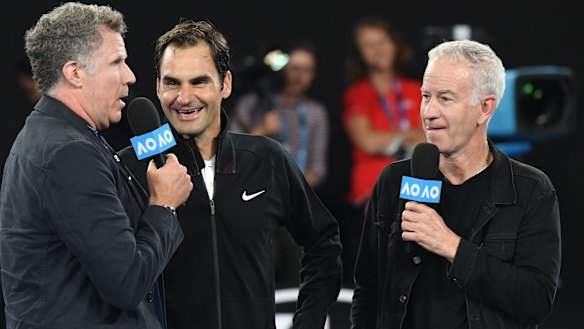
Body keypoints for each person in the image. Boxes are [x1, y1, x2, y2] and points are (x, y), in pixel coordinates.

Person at [119, 19, 343, 329]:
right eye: (172, 82)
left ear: (225, 84)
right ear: (158, 86)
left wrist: (308, 321)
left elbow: (324, 245)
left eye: (199, 82)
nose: (184, 97)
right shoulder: (129, 168)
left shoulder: (267, 159)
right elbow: (109, 274)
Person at [0, 3, 193, 329]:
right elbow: (127, 283)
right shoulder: (67, 152)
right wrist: (164, 205)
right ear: (75, 72)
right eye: (117, 62)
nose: (131, 76)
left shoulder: (59, 135)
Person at [350, 39, 562, 329]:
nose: (428, 112)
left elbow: (535, 301)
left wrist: (451, 246)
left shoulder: (530, 190)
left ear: (485, 108)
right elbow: (367, 289)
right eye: (426, 96)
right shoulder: (394, 181)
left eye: (445, 98)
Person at [340, 16, 426, 285]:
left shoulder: (417, 89)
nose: (377, 49)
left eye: (382, 41)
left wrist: (392, 139)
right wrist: (409, 137)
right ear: (359, 54)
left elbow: (433, 138)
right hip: (373, 193)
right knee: (381, 277)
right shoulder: (358, 93)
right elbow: (367, 141)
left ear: (395, 44)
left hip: (417, 188)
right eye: (368, 45)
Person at [229, 41, 329, 189]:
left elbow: (318, 168)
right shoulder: (253, 103)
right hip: (252, 188)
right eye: (294, 68)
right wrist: (261, 130)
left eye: (307, 70)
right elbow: (231, 154)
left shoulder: (316, 112)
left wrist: (293, 188)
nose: (299, 76)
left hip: (296, 195)